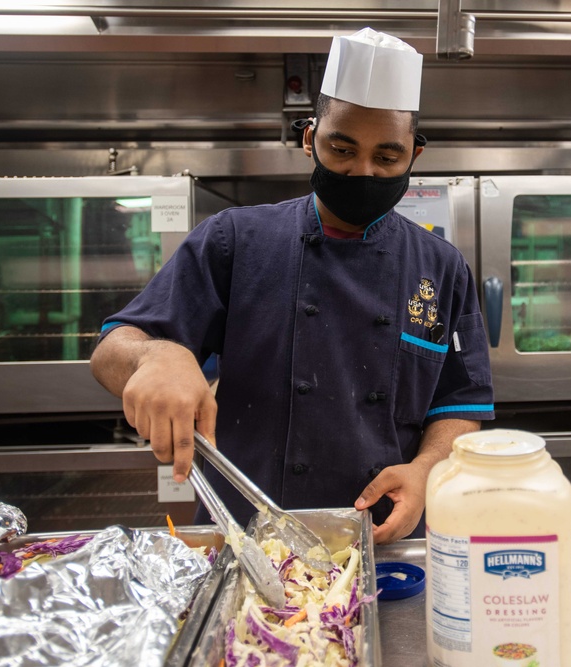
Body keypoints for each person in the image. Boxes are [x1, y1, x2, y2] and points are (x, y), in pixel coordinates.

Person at [90, 28, 495, 544]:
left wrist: (427, 470)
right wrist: (155, 358)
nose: (362, 171)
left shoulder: (441, 266)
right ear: (310, 139)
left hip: (380, 539)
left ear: (414, 154)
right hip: (244, 537)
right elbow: (110, 351)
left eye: (387, 158)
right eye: (342, 148)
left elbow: (461, 403)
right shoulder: (236, 240)